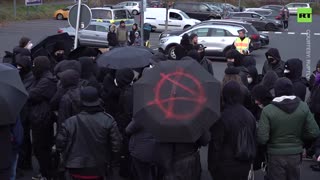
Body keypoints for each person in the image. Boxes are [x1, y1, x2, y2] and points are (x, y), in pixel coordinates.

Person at [257, 77, 320, 180]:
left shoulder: (268, 110)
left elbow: (262, 138)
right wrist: (300, 138)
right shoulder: (303, 107)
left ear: (276, 91)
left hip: (275, 154)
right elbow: (314, 132)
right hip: (295, 153)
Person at [56, 86, 122, 180]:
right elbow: (117, 146)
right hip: (99, 168)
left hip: (75, 167)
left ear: (81, 101)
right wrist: (111, 162)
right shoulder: (108, 120)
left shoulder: (70, 122)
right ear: (98, 100)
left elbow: (60, 145)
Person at [208, 80, 256, 180]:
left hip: (226, 165)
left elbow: (216, 146)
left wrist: (212, 167)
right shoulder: (250, 115)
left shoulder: (222, 118)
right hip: (245, 163)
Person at [29, 56, 57, 180]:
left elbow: (32, 95)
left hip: (42, 118)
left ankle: (47, 174)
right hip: (42, 117)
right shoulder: (43, 77)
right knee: (41, 147)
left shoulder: (47, 80)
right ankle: (45, 172)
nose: (33, 67)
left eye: (34, 65)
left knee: (41, 148)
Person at [15, 55, 34, 172]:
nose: (18, 68)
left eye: (20, 66)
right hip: (22, 112)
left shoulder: (30, 78)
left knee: (24, 139)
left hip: (26, 113)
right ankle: (25, 162)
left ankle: (25, 163)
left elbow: (27, 94)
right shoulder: (22, 75)